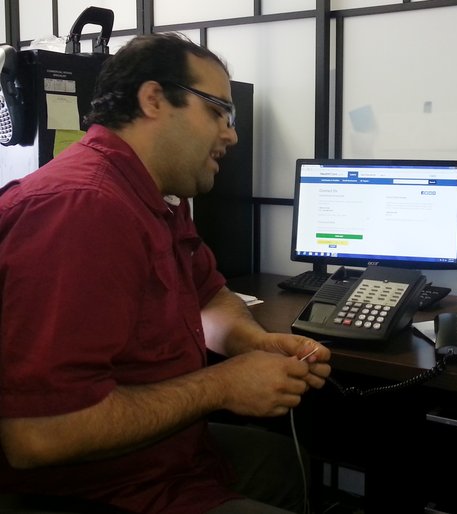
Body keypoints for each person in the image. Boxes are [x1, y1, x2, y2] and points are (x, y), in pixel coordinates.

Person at [0, 33, 331, 513]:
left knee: (284, 459)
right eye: (219, 111)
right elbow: (38, 436)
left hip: (172, 457)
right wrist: (223, 385)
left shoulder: (156, 197)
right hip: (104, 489)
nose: (232, 134)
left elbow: (208, 297)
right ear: (153, 99)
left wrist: (250, 343)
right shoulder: (83, 209)